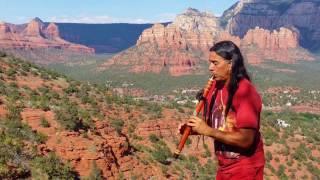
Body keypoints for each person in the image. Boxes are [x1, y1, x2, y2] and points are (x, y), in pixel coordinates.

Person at [181, 41, 265, 179]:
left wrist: (207, 131)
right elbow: (218, 125)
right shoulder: (215, 87)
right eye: (210, 62)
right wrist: (193, 129)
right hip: (224, 166)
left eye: (215, 63)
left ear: (231, 64)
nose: (210, 68)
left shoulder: (244, 91)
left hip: (245, 167)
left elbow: (246, 140)